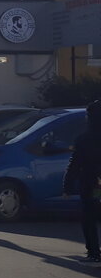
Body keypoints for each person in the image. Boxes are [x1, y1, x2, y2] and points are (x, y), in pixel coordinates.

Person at [63, 99, 101, 266]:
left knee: (89, 217)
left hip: (93, 183)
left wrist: (67, 185)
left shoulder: (85, 139)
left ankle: (93, 252)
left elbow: (75, 163)